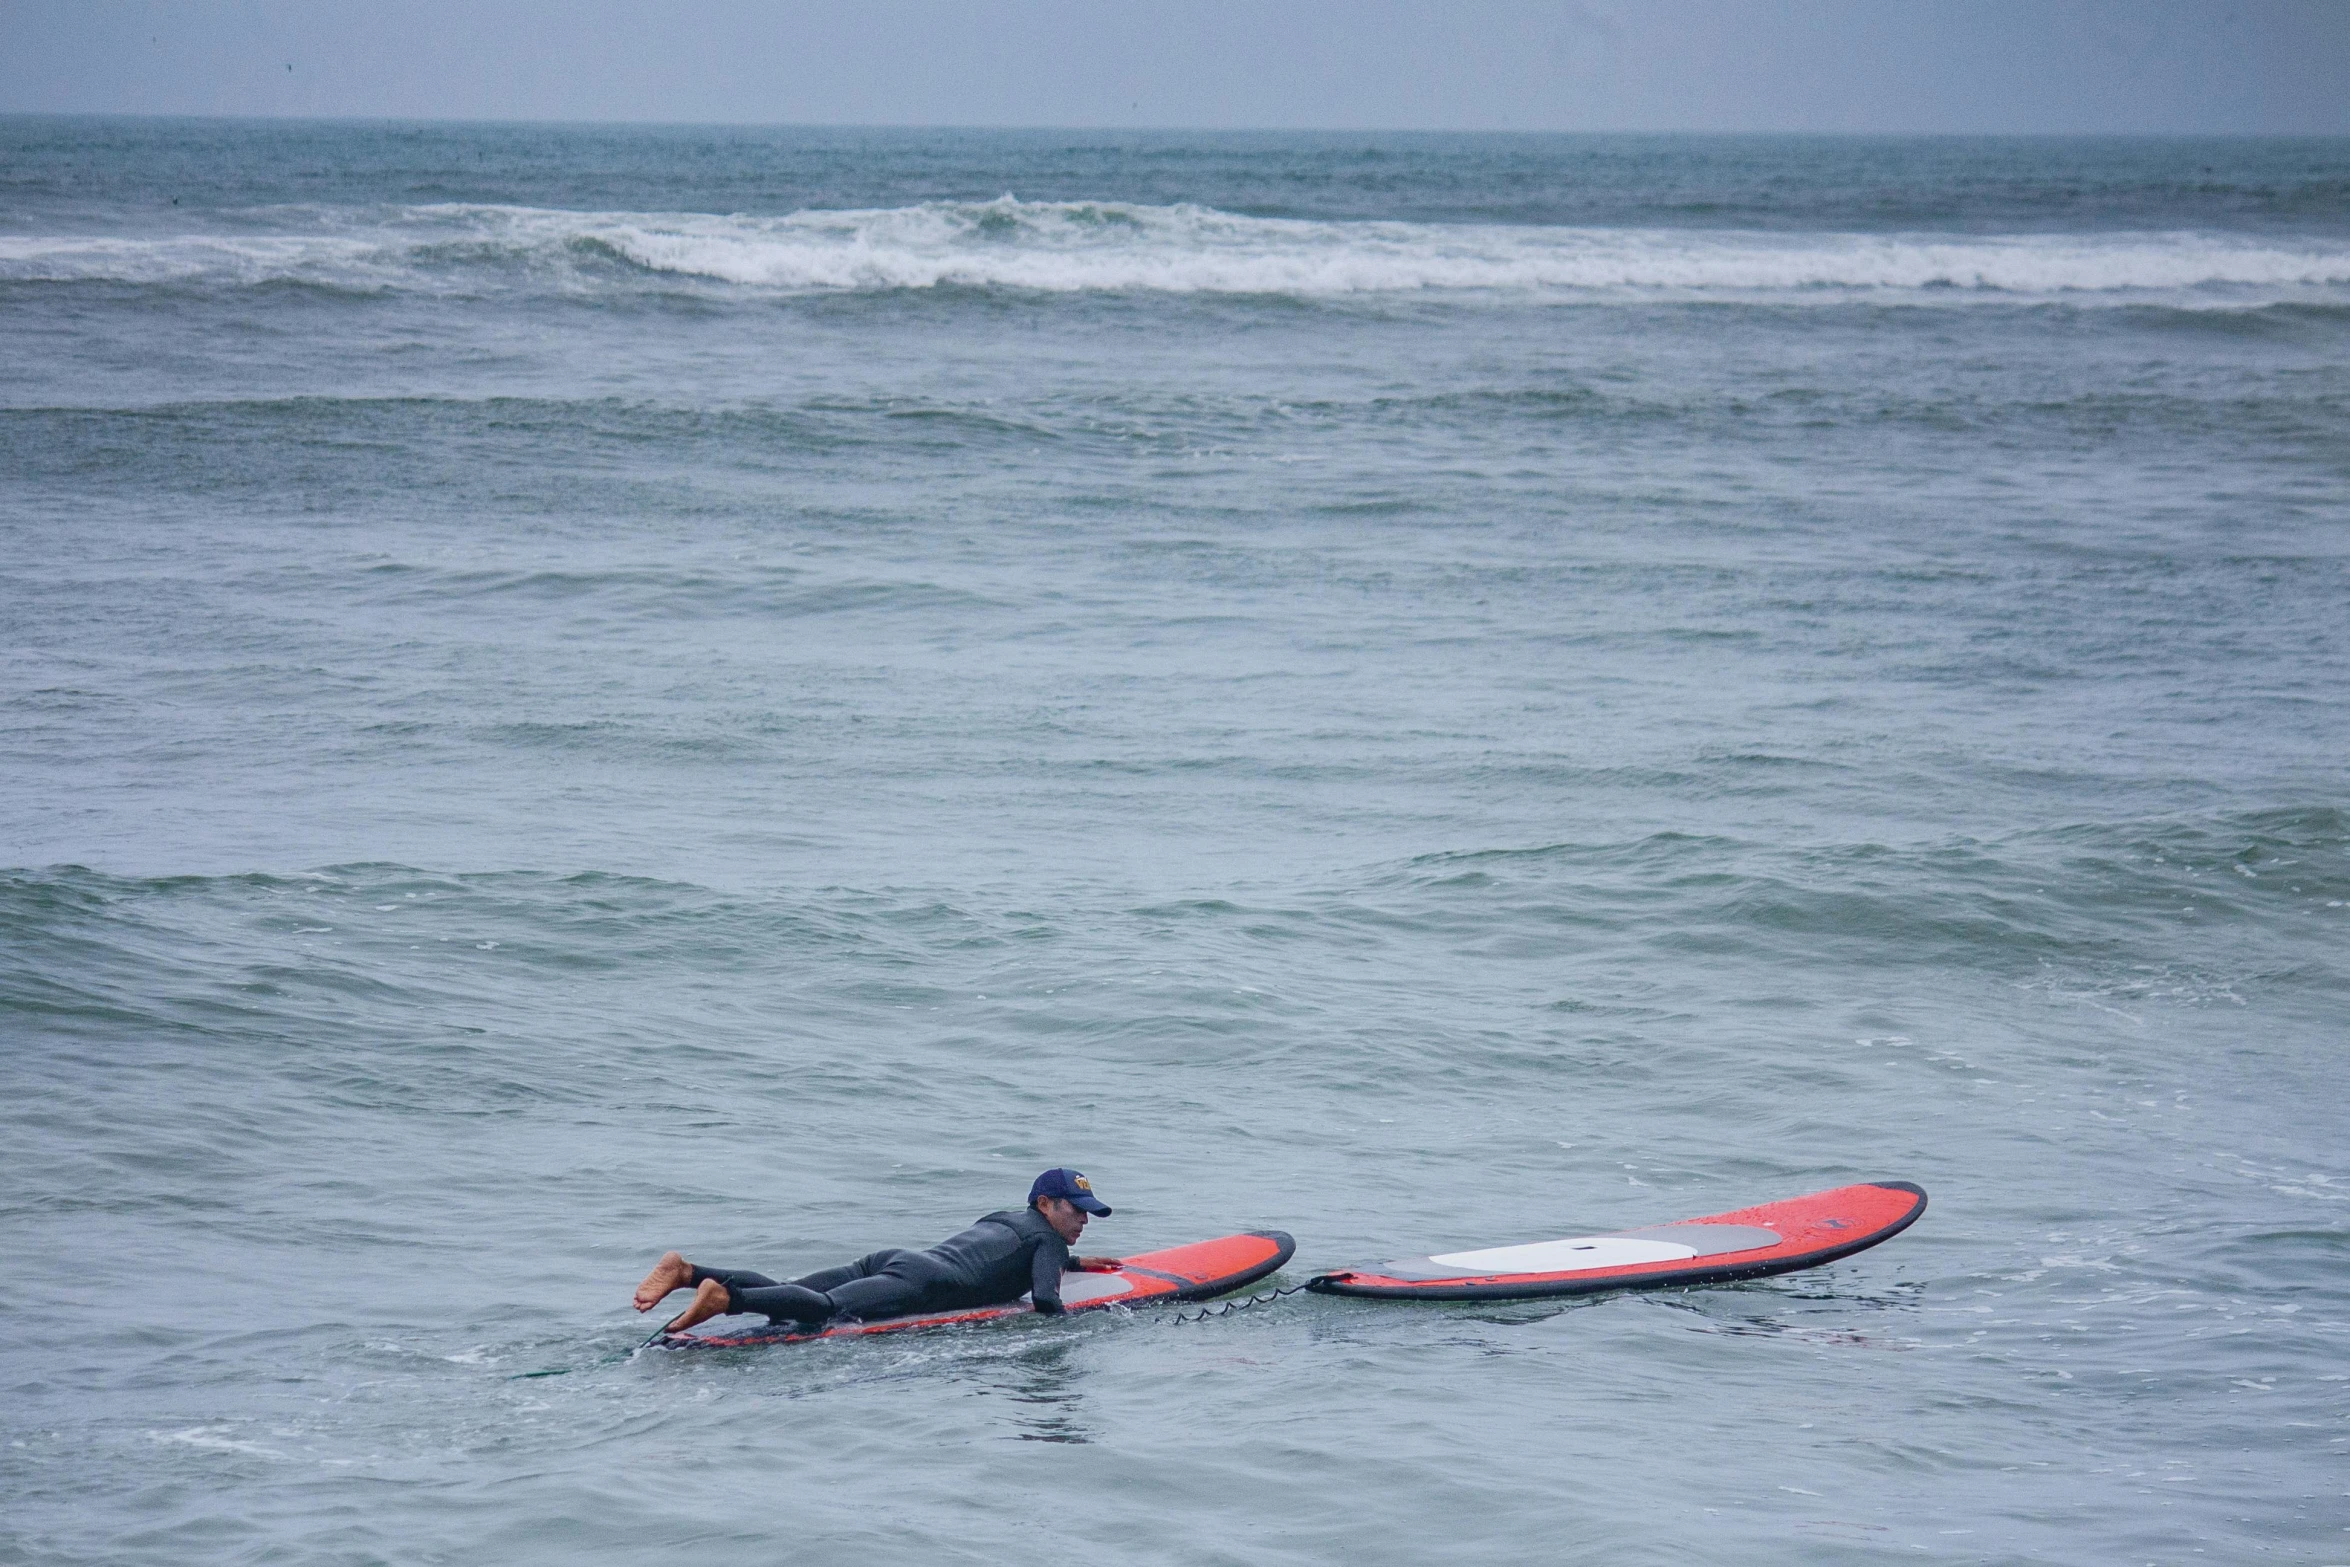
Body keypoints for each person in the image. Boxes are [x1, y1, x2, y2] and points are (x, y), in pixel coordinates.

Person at [633, 1167, 1123, 1335]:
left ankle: (689, 1273)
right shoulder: (1048, 1241)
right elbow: (1044, 1301)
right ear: (1045, 1204)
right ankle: (728, 1300)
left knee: (794, 1292)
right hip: (922, 1284)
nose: (1083, 1220)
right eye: (1076, 1210)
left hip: (896, 1259)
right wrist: (1094, 1327)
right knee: (825, 1311)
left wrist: (1073, 1260)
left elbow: (1004, 1256)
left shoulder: (1011, 1221)